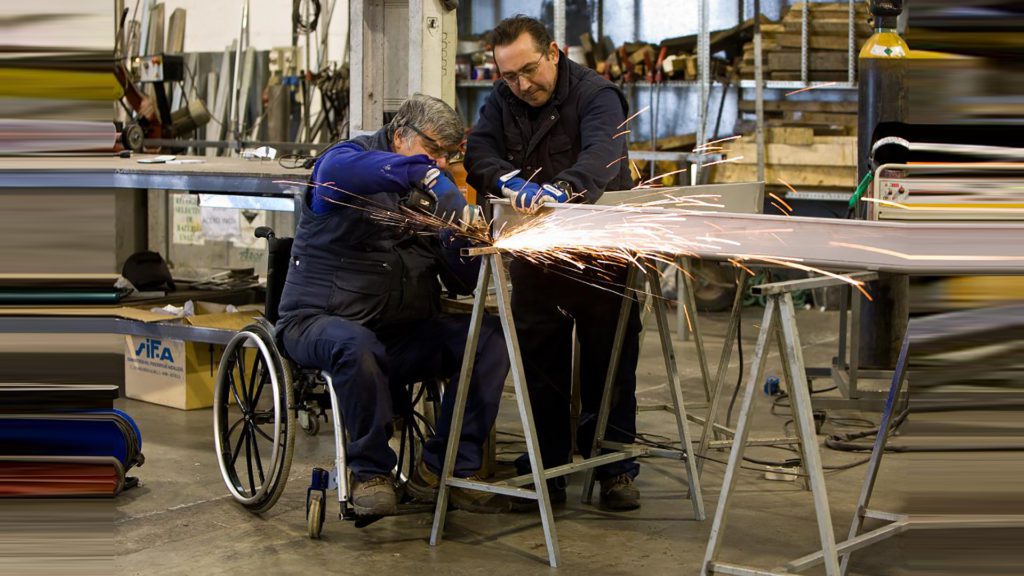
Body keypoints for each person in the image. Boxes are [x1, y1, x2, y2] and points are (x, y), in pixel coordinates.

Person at [276, 94, 512, 516]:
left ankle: (444, 469)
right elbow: (351, 171)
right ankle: (370, 472)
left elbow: (463, 282)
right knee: (355, 344)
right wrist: (428, 176)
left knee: (489, 339)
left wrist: (465, 240)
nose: (440, 163)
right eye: (433, 150)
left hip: (397, 333)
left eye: (448, 155)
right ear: (400, 135)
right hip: (320, 322)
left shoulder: (431, 194)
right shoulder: (344, 162)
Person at [464, 16, 642, 510]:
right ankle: (546, 468)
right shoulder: (502, 101)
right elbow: (478, 152)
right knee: (540, 359)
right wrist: (508, 182)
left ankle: (614, 466)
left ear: (554, 53)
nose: (522, 86)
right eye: (509, 77)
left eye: (529, 71)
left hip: (601, 248)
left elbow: (606, 155)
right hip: (536, 250)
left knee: (609, 356)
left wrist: (563, 190)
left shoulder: (597, 94)